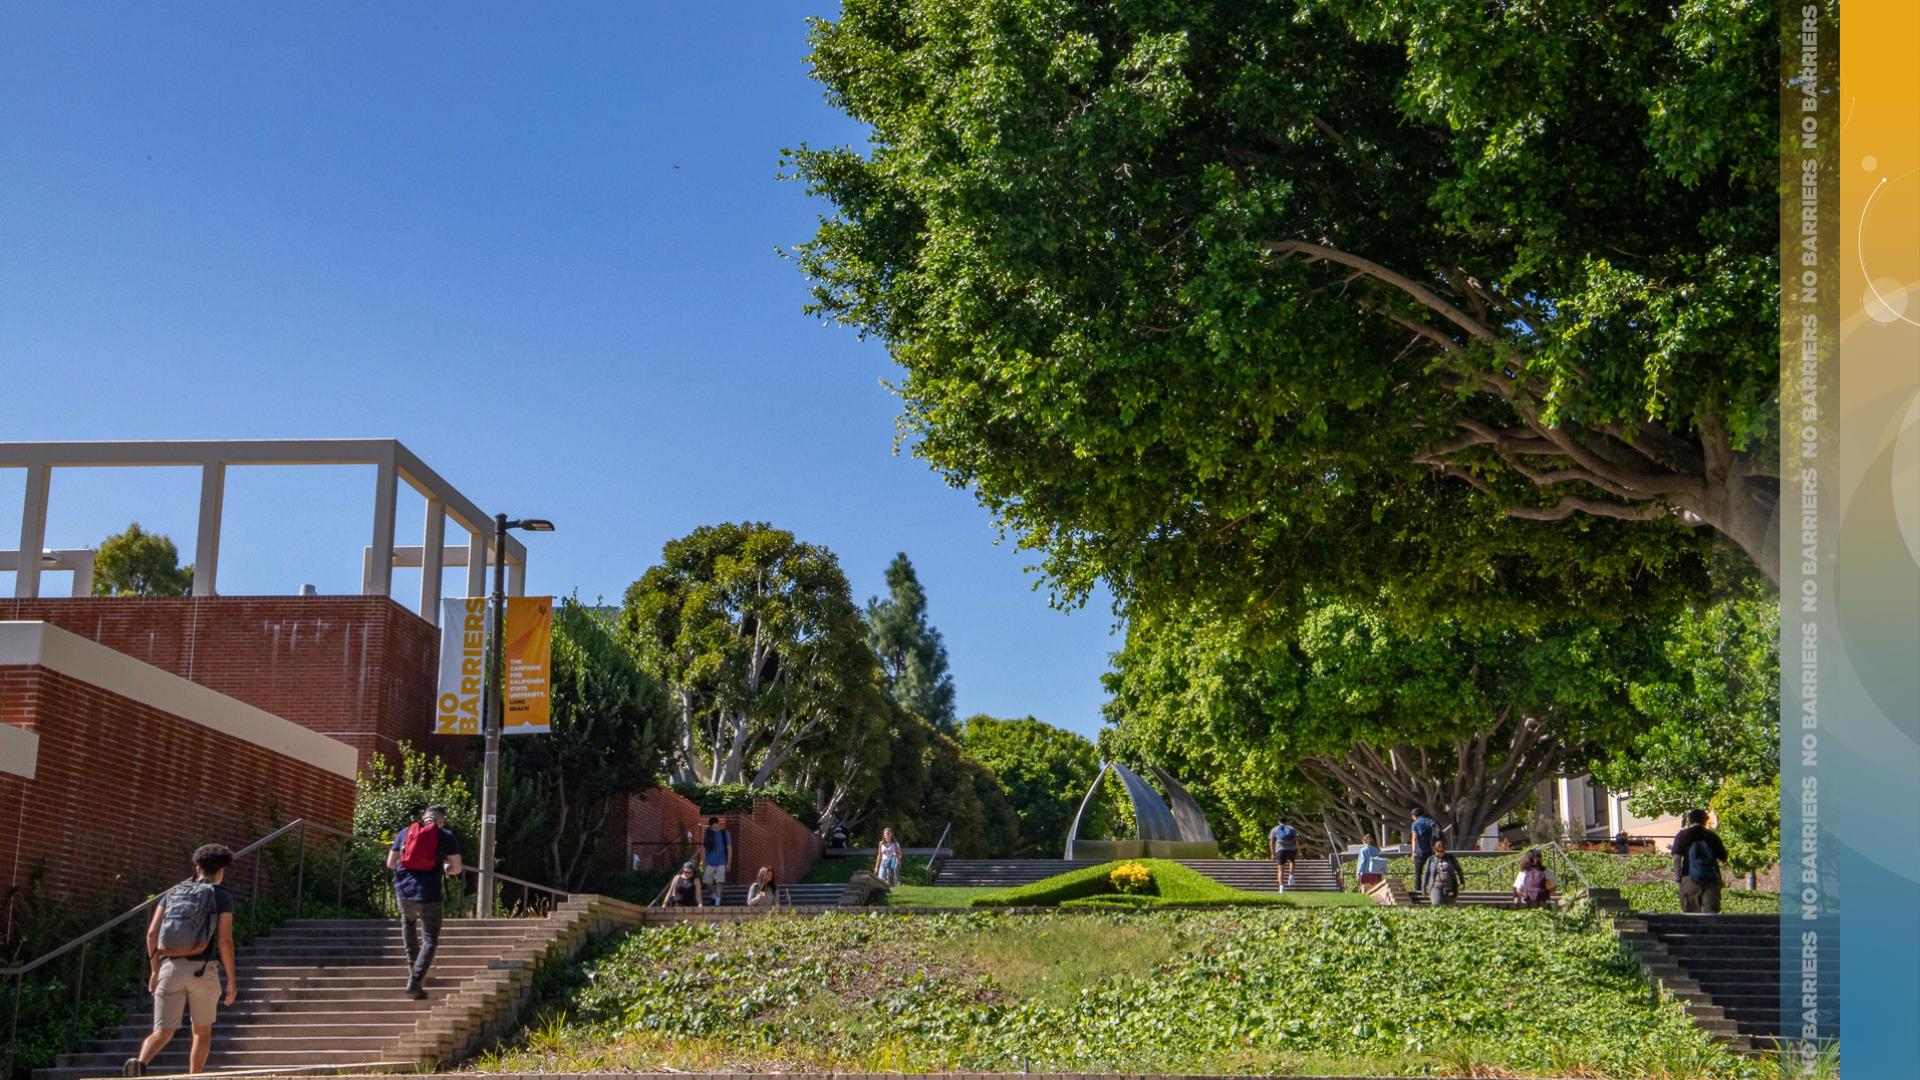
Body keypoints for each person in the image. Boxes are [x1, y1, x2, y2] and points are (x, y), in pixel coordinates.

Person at [124, 844, 237, 1077]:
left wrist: (155, 970)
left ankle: (140, 1064)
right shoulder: (223, 897)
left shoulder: (173, 893)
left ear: (197, 868)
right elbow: (225, 939)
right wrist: (232, 980)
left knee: (162, 1031)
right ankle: (194, 1076)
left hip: (169, 968)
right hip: (202, 970)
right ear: (221, 871)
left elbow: (152, 934)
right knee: (201, 1031)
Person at [387, 804, 463, 1000]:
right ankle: (415, 980)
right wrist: (445, 868)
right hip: (429, 893)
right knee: (430, 939)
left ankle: (415, 974)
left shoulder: (406, 832)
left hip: (404, 892)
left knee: (409, 924)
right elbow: (457, 868)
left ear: (424, 817)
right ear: (441, 820)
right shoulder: (445, 835)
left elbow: (391, 863)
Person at [1670, 808, 1729, 914]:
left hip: (1689, 877)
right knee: (1711, 913)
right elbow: (1724, 858)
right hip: (1711, 878)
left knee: (1691, 914)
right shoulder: (1712, 836)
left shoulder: (1683, 835)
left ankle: (1694, 931)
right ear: (1705, 820)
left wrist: (1678, 877)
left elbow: (1676, 858)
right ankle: (1710, 930)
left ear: (1689, 820)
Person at [1419, 837, 1464, 906]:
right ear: (1434, 850)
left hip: (1450, 887)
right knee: (1436, 904)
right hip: (1436, 886)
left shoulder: (1450, 858)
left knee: (1450, 906)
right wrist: (1423, 887)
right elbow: (1426, 873)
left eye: (1442, 851)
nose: (1440, 853)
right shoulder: (1431, 859)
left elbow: (1459, 870)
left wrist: (1462, 882)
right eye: (1438, 851)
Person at [699, 815, 733, 905]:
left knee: (719, 882)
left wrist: (728, 863)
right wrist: (703, 861)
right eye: (712, 827)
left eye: (716, 827)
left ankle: (717, 901)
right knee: (707, 881)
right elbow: (704, 848)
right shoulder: (708, 833)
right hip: (710, 861)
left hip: (721, 862)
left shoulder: (725, 833)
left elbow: (729, 849)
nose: (714, 829)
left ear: (719, 824)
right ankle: (714, 893)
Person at [1409, 807, 1439, 890]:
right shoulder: (1431, 822)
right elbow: (1436, 836)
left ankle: (1418, 891)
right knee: (1432, 871)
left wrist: (1413, 851)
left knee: (1418, 873)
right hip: (1431, 851)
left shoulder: (1415, 824)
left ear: (1414, 816)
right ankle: (1433, 889)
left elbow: (1414, 837)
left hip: (1419, 852)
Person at [1267, 818, 1301, 890]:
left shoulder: (1275, 829)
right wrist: (1298, 850)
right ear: (1287, 821)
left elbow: (1271, 843)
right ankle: (1291, 875)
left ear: (1278, 821)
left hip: (1280, 850)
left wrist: (1273, 854)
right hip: (1292, 849)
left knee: (1280, 870)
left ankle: (1281, 887)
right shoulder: (1292, 828)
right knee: (1292, 862)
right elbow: (1297, 841)